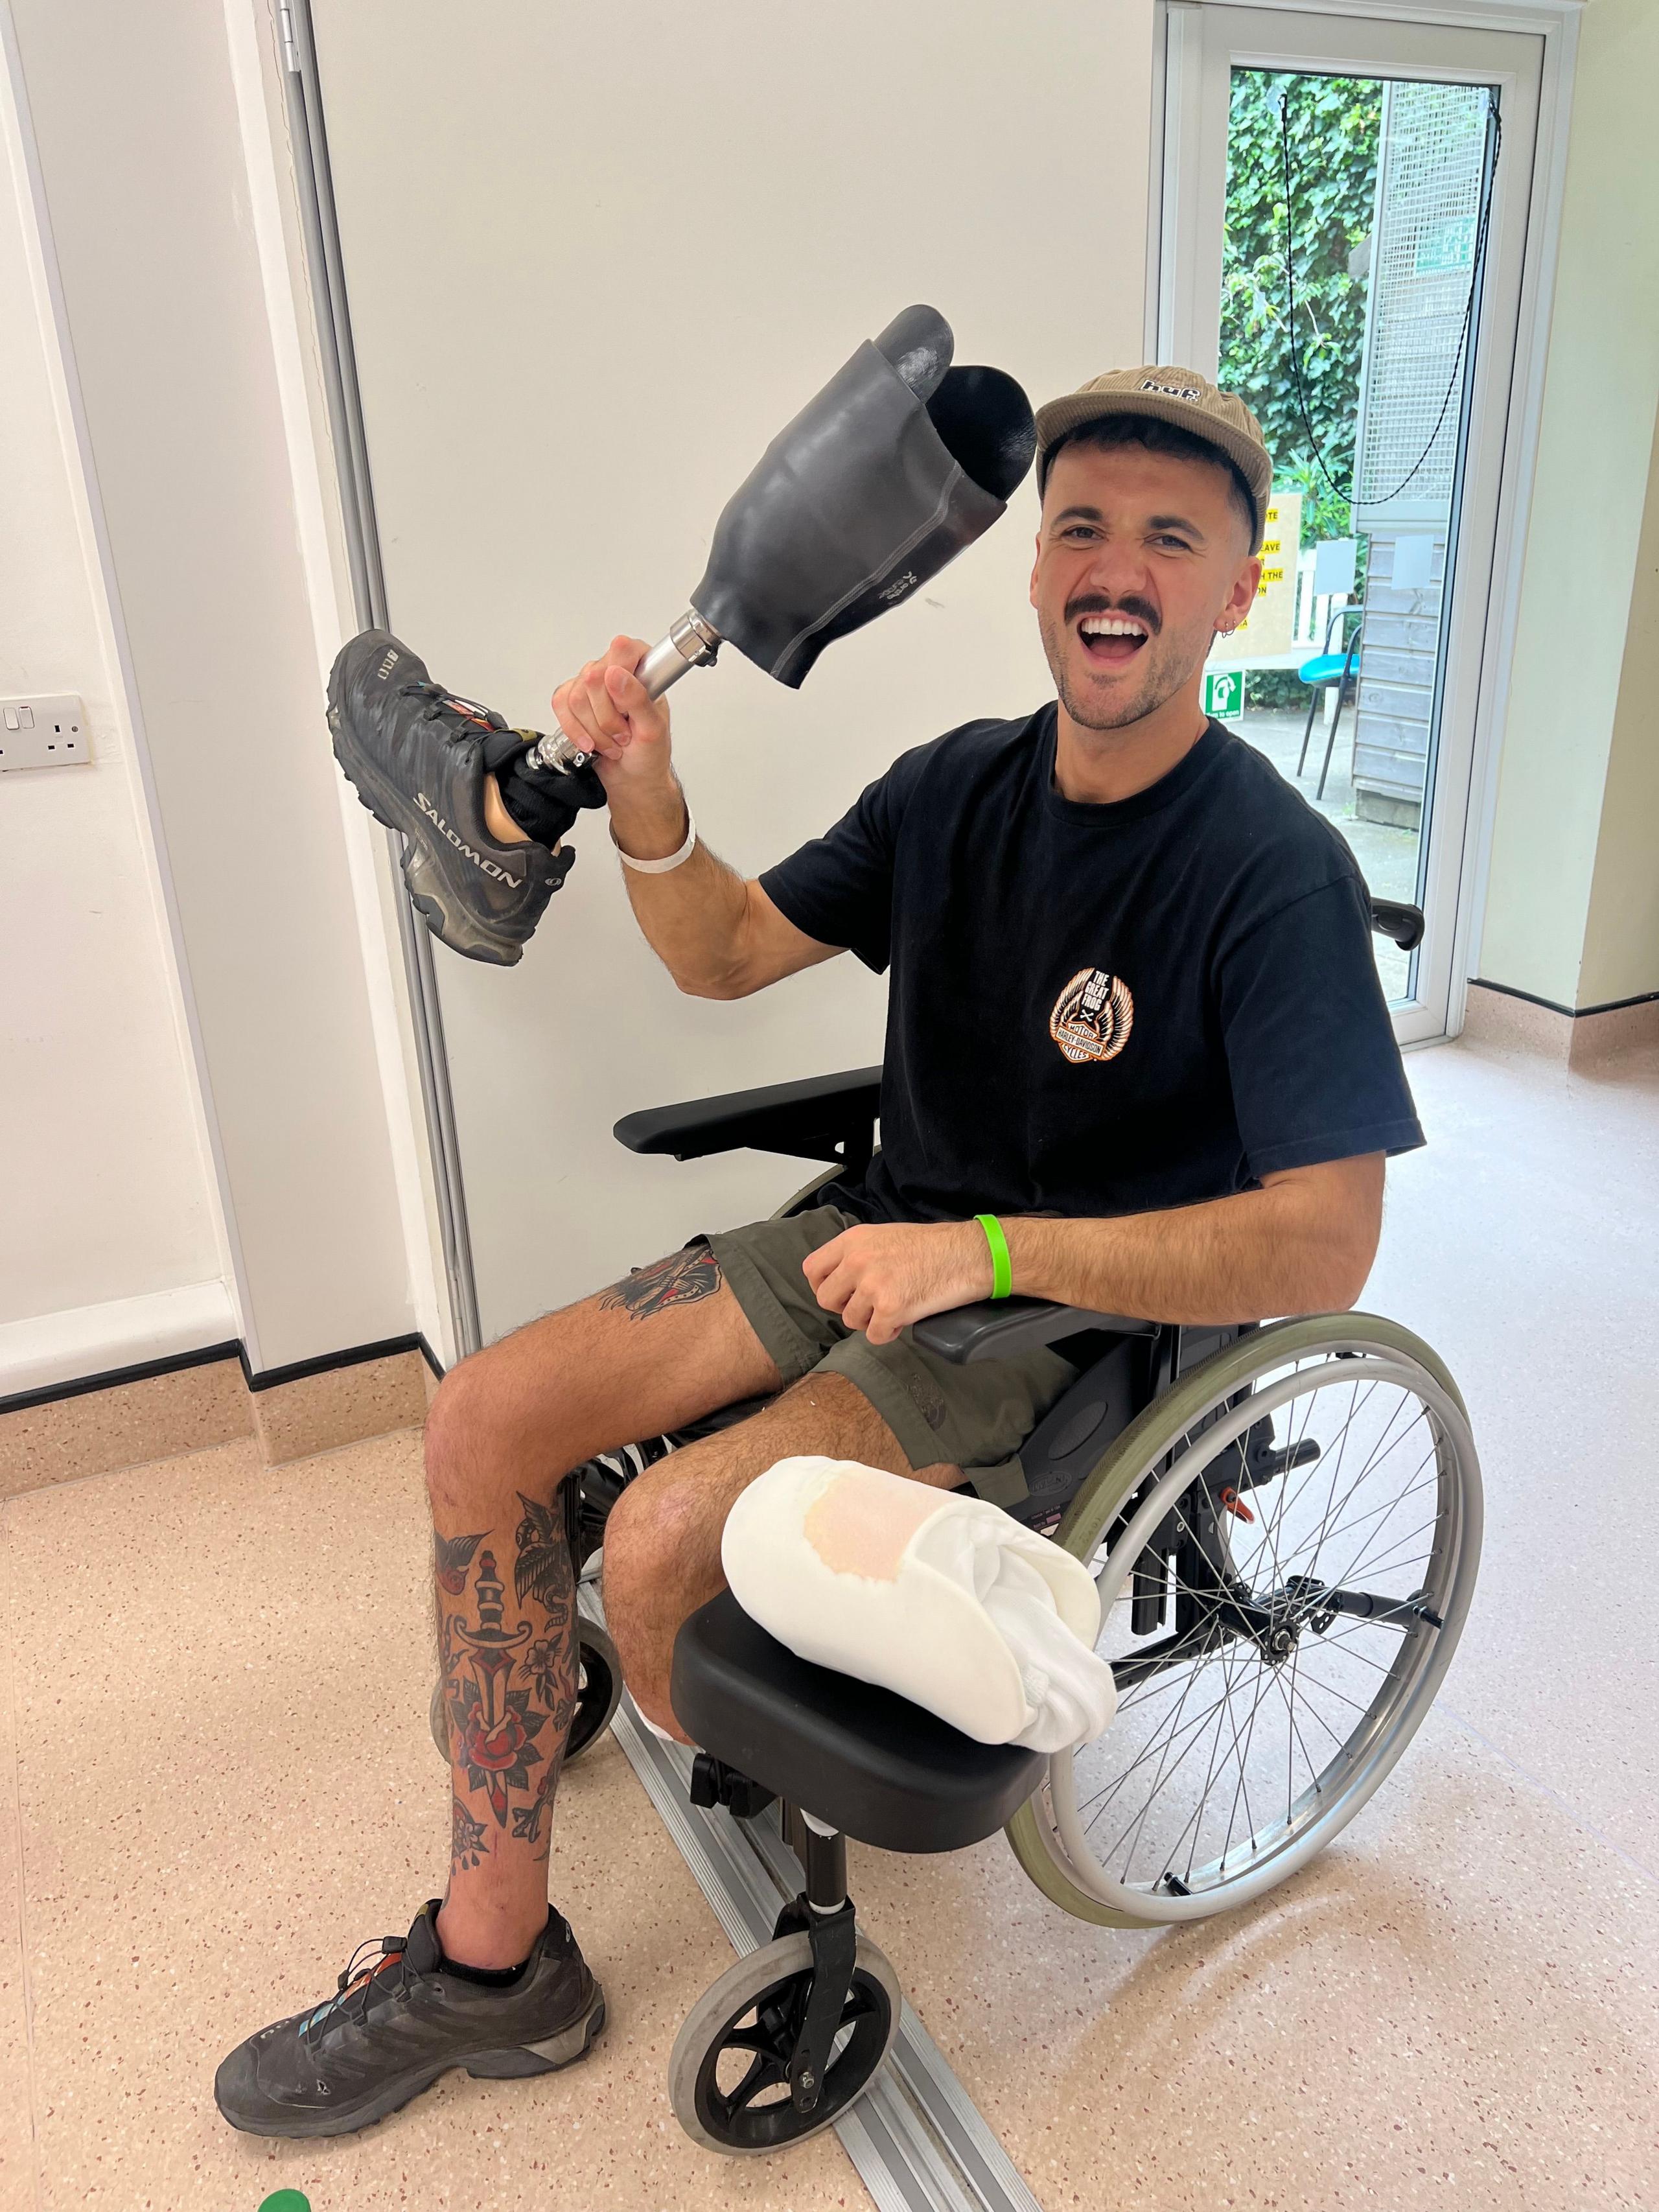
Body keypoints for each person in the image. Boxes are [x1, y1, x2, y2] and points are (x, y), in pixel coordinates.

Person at [216, 366, 1422, 2137]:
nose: (1117, 568)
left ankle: (637, 1768)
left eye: (1173, 538)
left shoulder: (1275, 872)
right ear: (1029, 566)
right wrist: (645, 788)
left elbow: (1330, 1239)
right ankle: (503, 1971)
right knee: (480, 1422)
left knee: (649, 1547)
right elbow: (722, 949)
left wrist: (991, 1253)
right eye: (1081, 524)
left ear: (1238, 586)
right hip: (878, 1235)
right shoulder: (957, 789)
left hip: (1064, 1326)